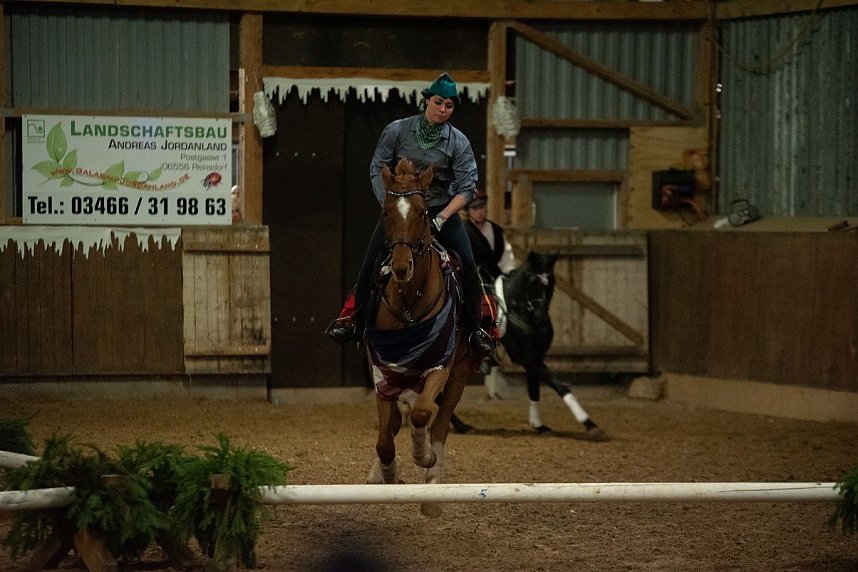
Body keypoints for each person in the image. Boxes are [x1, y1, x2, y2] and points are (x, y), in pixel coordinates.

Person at [326, 72, 495, 357]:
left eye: (450, 106)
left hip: (442, 210)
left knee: (467, 260)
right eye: (438, 103)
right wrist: (390, 206)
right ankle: (352, 320)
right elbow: (376, 167)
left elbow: (467, 188)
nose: (443, 110)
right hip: (401, 208)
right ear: (426, 100)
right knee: (370, 260)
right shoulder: (397, 130)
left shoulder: (458, 142)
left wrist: (442, 218)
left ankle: (476, 329)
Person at [464, 188, 517, 284]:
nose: (479, 211)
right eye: (475, 208)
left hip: (496, 276)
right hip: (473, 278)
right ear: (469, 211)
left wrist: (509, 274)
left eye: (482, 207)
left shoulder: (496, 230)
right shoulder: (464, 231)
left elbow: (505, 257)